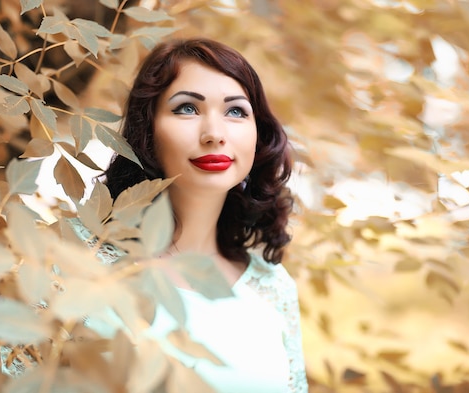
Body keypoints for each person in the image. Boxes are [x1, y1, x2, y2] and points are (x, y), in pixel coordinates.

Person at [92, 37, 308, 393]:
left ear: (258, 137)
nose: (214, 135)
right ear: (147, 132)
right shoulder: (79, 258)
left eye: (236, 111)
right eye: (187, 108)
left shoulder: (274, 288)